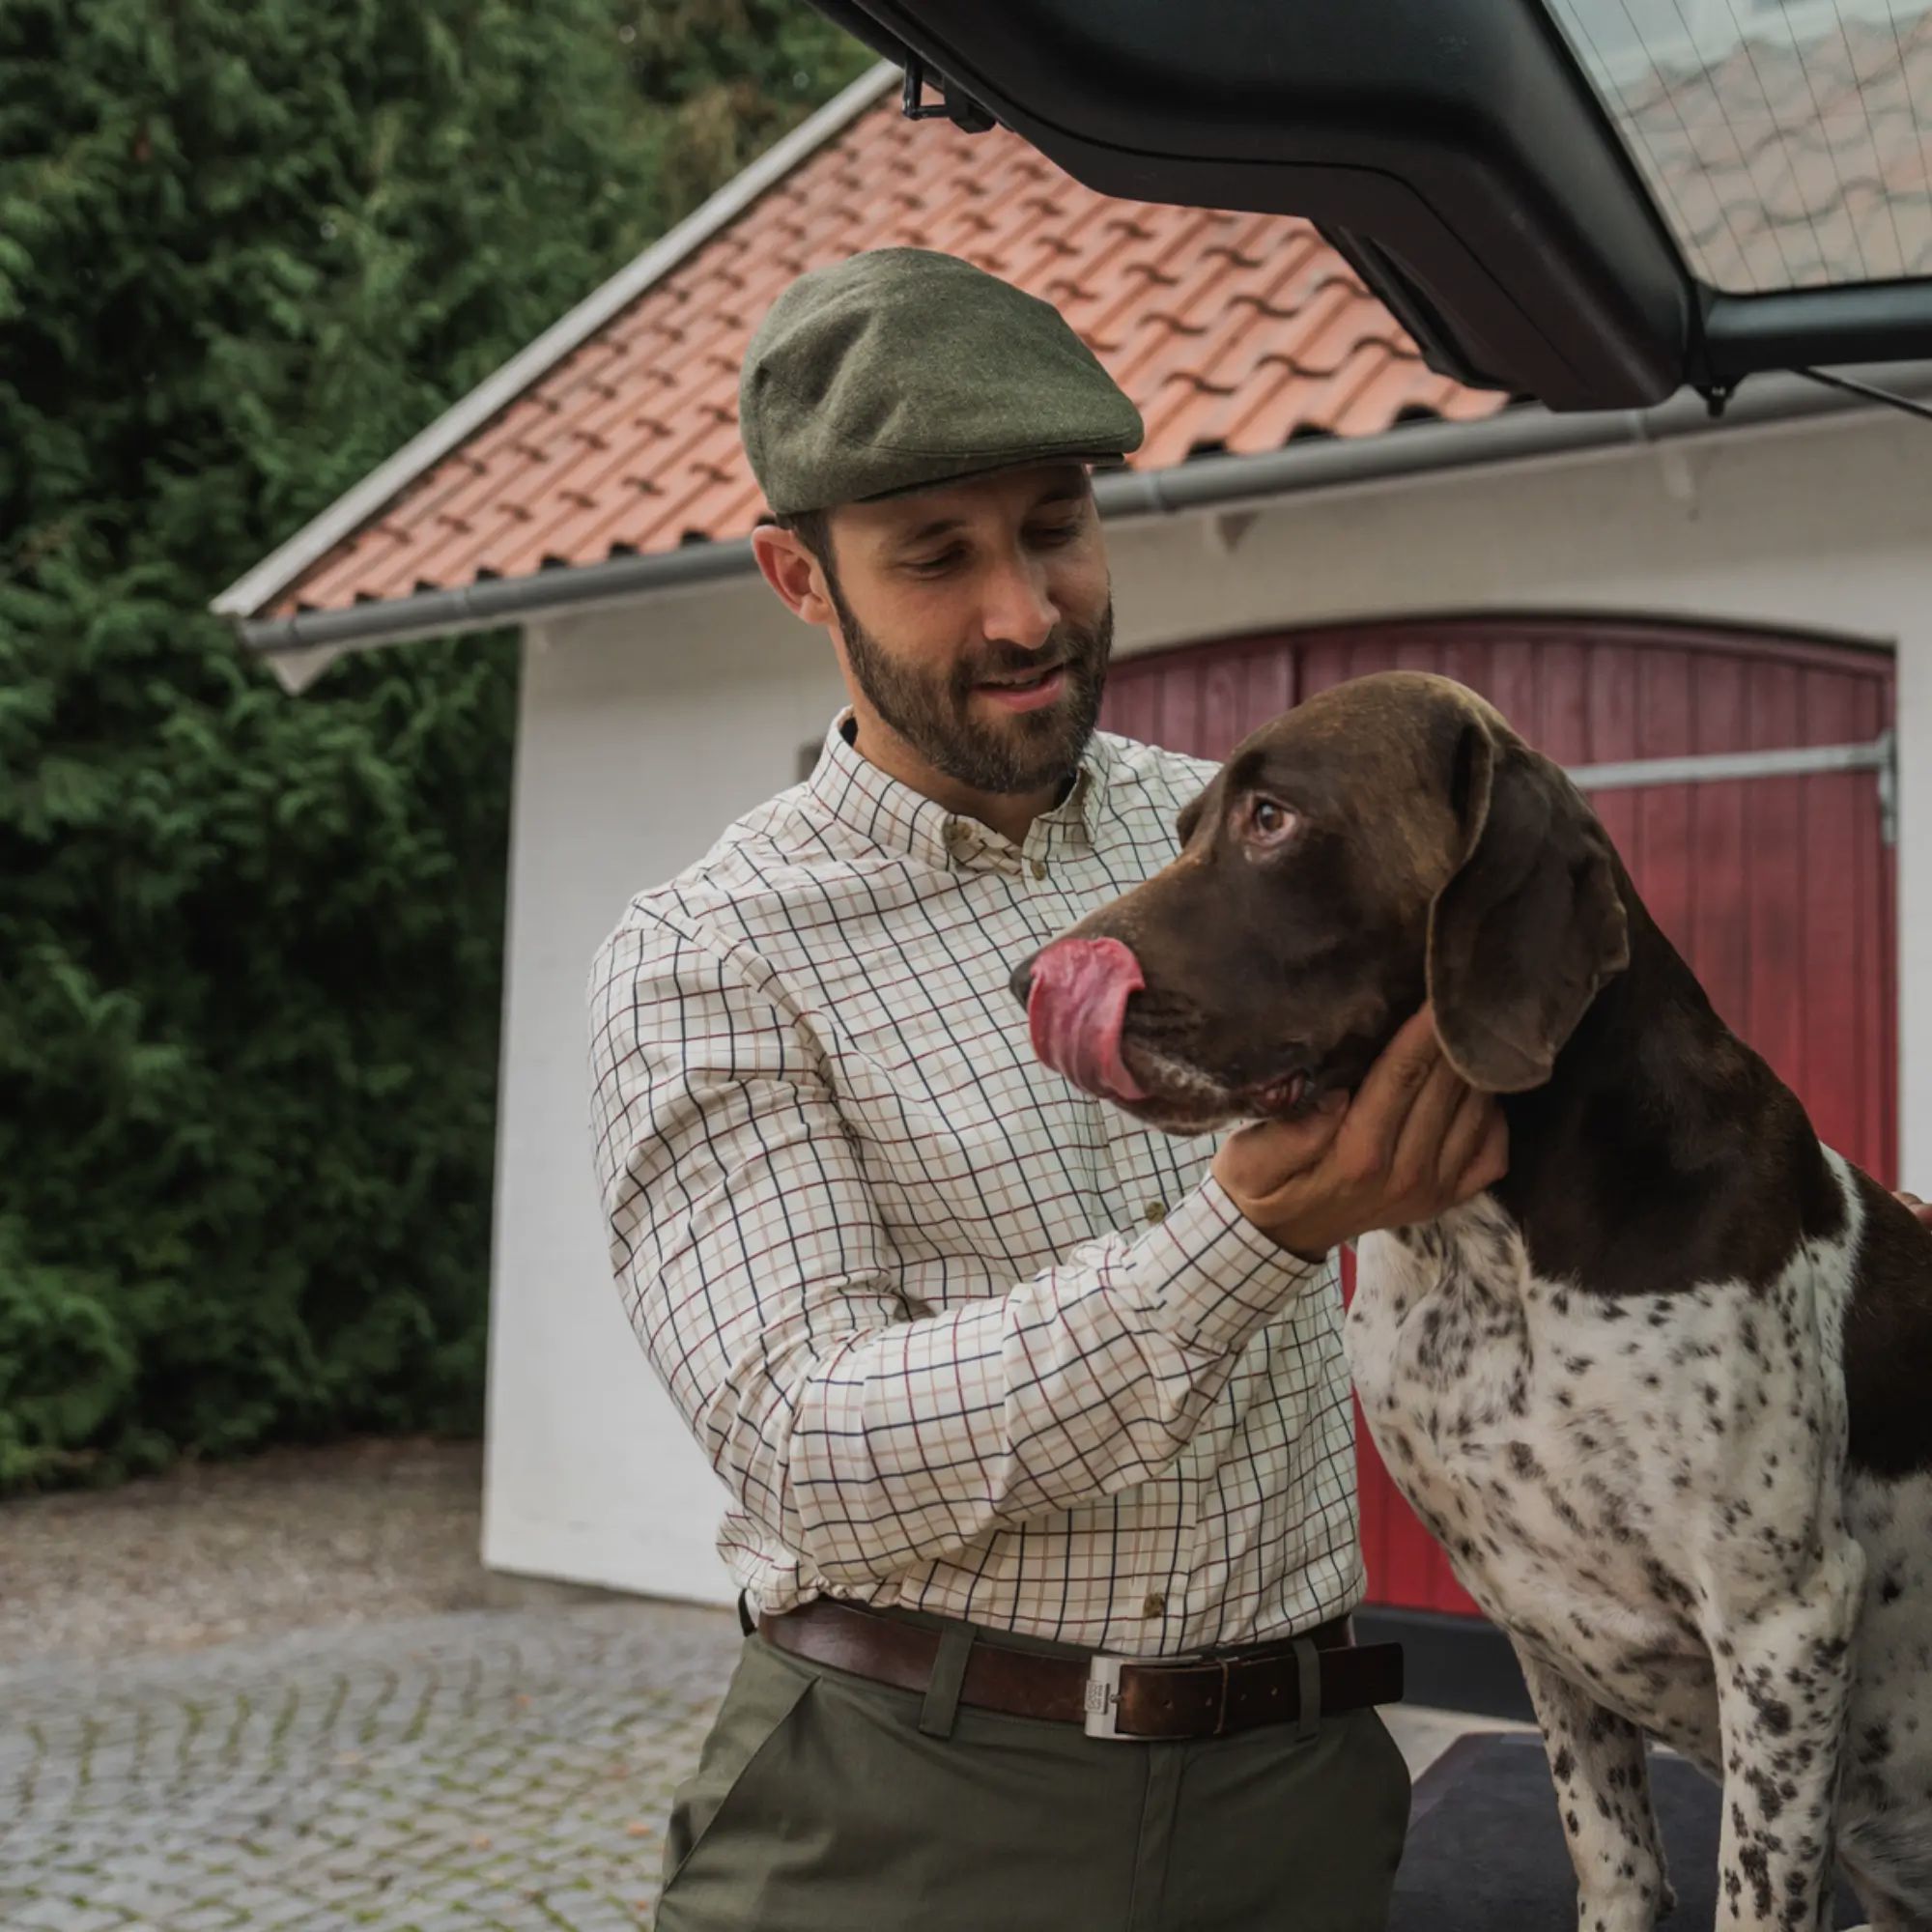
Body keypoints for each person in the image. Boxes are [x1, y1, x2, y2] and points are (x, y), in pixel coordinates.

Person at [585, 246, 1509, 1932]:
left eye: (1057, 526)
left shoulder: (1245, 828)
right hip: (908, 1810)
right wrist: (1242, 1236)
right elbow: (809, 1444)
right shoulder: (709, 957)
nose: (1023, 611)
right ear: (802, 577)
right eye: (935, 557)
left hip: (1298, 1796)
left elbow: (1568, 1091)